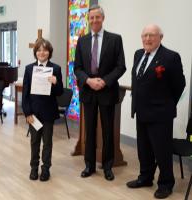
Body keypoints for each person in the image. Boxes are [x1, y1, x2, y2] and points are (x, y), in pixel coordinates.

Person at [127, 24, 186, 199]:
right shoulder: (138, 54)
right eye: (144, 35)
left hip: (161, 114)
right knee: (143, 149)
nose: (147, 39)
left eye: (152, 35)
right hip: (141, 112)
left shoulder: (170, 57)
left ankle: (166, 183)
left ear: (161, 37)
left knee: (162, 151)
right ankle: (145, 177)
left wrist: (167, 103)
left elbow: (179, 85)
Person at [74, 4, 126, 181]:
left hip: (107, 90)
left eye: (97, 17)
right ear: (88, 21)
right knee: (89, 129)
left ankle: (107, 165)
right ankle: (89, 165)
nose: (94, 20)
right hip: (88, 90)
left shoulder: (115, 39)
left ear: (103, 18)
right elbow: (78, 67)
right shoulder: (82, 41)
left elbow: (121, 66)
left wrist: (104, 81)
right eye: (91, 18)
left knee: (107, 130)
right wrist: (88, 80)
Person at [22, 38, 63, 181]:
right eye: (39, 50)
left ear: (49, 52)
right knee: (34, 141)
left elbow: (59, 92)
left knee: (47, 142)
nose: (42, 52)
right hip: (34, 113)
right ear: (35, 52)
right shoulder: (29, 69)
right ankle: (34, 168)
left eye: (45, 50)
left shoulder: (56, 69)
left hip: (48, 113)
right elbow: (25, 94)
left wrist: (56, 82)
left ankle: (45, 169)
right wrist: (27, 113)